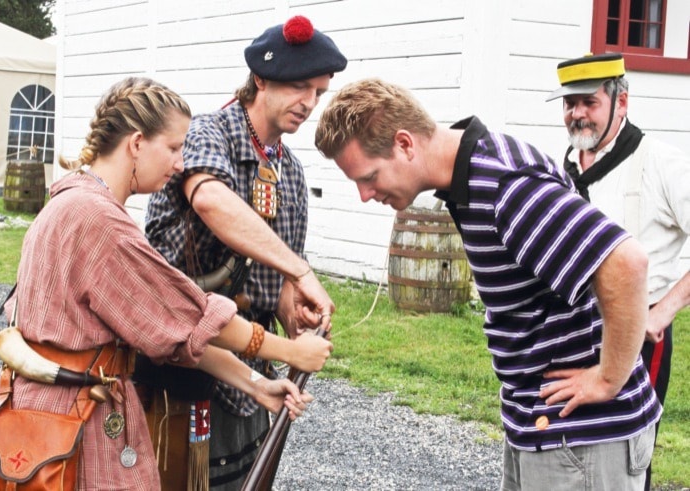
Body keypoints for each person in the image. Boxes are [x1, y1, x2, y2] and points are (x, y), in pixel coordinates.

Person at [0, 77, 333, 491]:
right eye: (174, 148)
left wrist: (259, 385)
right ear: (137, 143)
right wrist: (291, 351)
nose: (180, 164)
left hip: (44, 415)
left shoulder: (72, 200)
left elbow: (167, 331)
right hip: (68, 425)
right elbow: (190, 316)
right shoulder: (97, 220)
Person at [314, 78, 663, 490]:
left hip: (582, 438)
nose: (364, 194)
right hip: (541, 426)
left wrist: (607, 378)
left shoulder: (504, 188)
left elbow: (626, 263)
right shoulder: (468, 179)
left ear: (405, 144)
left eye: (368, 176)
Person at [142, 15, 347, 490]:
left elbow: (272, 279)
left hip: (249, 375)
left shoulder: (290, 171)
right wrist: (302, 270)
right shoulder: (204, 132)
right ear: (260, 79)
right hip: (175, 362)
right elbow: (211, 200)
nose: (309, 103)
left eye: (318, 91)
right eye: (300, 86)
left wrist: (296, 314)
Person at [546, 52, 690, 490]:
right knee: (571, 452)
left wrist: (660, 313)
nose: (577, 114)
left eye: (588, 102)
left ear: (621, 102)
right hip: (573, 335)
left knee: (628, 455)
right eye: (569, 104)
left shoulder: (662, 163)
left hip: (637, 336)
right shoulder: (563, 167)